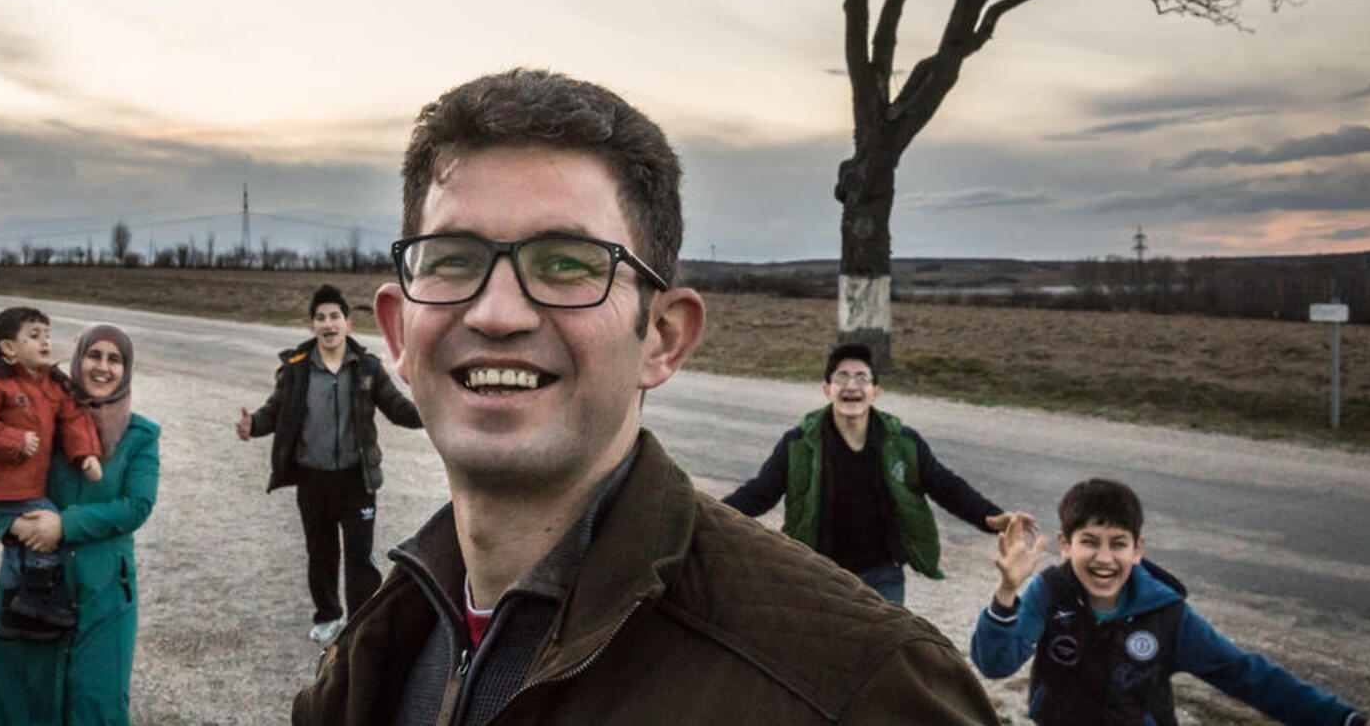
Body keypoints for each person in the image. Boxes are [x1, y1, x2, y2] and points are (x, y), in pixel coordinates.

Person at [295, 68, 999, 724]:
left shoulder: (857, 688)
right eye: (453, 260)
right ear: (399, 331)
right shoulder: (373, 656)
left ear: (662, 336)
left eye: (566, 263)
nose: (497, 313)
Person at [972, 478, 1370, 726]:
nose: (1104, 558)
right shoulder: (1048, 593)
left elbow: (1246, 675)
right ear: (1066, 545)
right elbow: (994, 664)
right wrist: (1007, 592)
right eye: (1090, 542)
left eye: (1118, 543)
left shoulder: (1166, 614)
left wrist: (1347, 721)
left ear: (1138, 550)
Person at [721, 343, 1020, 604]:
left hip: (883, 574)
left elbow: (946, 486)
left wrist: (990, 516)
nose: (851, 386)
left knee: (884, 648)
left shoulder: (902, 443)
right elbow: (760, 493)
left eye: (862, 378)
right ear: (827, 389)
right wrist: (710, 514)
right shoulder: (799, 444)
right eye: (842, 377)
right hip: (816, 570)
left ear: (875, 392)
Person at [0, 324, 161, 726]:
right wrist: (18, 528)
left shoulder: (141, 436)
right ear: (78, 361)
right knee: (25, 702)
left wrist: (64, 526)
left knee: (98, 701)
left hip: (106, 589)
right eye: (94, 356)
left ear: (126, 369)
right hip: (34, 587)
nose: (103, 367)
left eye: (114, 360)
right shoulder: (36, 423)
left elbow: (136, 506)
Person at [235, 284, 423, 644]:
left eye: (334, 316)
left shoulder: (367, 367)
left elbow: (396, 408)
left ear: (348, 323)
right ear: (312, 326)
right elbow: (274, 411)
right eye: (320, 318)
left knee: (359, 556)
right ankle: (328, 616)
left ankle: (360, 623)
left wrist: (430, 413)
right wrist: (253, 425)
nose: (328, 324)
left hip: (357, 480)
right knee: (320, 554)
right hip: (313, 481)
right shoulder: (296, 369)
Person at [0, 306, 103, 638]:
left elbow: (75, 417)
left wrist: (86, 454)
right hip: (2, 484)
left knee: (17, 549)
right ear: (9, 348)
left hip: (26, 485)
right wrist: (15, 440)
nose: (45, 342)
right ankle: (37, 598)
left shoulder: (52, 384)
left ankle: (13, 613)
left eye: (47, 335)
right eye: (34, 336)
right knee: (45, 525)